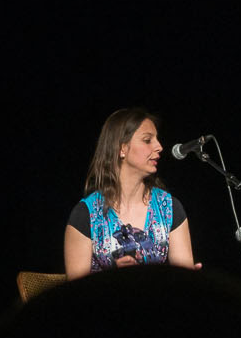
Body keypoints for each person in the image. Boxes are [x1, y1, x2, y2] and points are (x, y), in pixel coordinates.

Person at [64, 107, 196, 277]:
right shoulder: (86, 214)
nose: (160, 147)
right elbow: (75, 295)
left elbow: (183, 277)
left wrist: (191, 281)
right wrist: (113, 277)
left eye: (157, 139)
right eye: (147, 140)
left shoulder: (168, 208)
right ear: (122, 148)